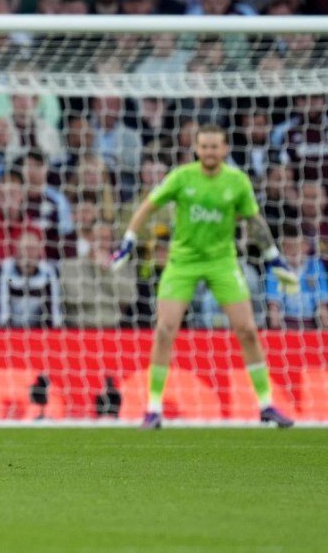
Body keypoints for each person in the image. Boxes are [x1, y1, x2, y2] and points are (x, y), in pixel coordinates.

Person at [111, 124, 298, 429]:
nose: (210, 152)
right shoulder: (182, 177)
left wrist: (274, 258)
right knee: (165, 329)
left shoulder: (237, 181)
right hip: (183, 261)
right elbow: (147, 206)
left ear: (225, 149)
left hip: (222, 262)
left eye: (215, 147)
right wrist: (128, 241)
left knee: (247, 330)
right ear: (197, 149)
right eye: (205, 147)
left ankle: (266, 405)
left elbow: (254, 221)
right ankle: (153, 408)